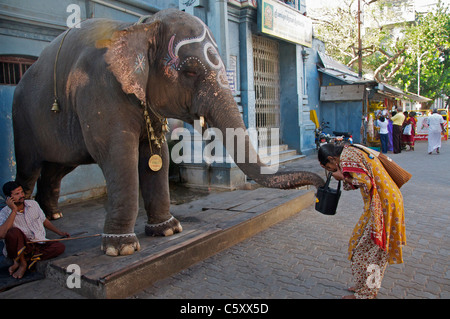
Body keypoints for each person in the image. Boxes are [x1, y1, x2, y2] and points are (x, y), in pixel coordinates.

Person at [318, 144, 406, 299]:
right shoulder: (349, 150)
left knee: (375, 253)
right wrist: (344, 174)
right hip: (379, 203)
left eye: (329, 167)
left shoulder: (346, 157)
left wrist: (343, 176)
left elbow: (365, 182)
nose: (332, 171)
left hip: (383, 205)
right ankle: (362, 286)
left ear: (332, 158)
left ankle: (367, 293)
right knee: (359, 246)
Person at [0, 181, 69, 279]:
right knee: (13, 232)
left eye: (22, 192)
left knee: (59, 247)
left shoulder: (33, 204)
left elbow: (44, 220)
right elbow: (2, 234)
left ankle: (22, 260)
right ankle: (23, 263)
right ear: (8, 198)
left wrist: (59, 232)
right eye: (17, 194)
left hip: (37, 243)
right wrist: (14, 211)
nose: (21, 195)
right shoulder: (4, 213)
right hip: (20, 246)